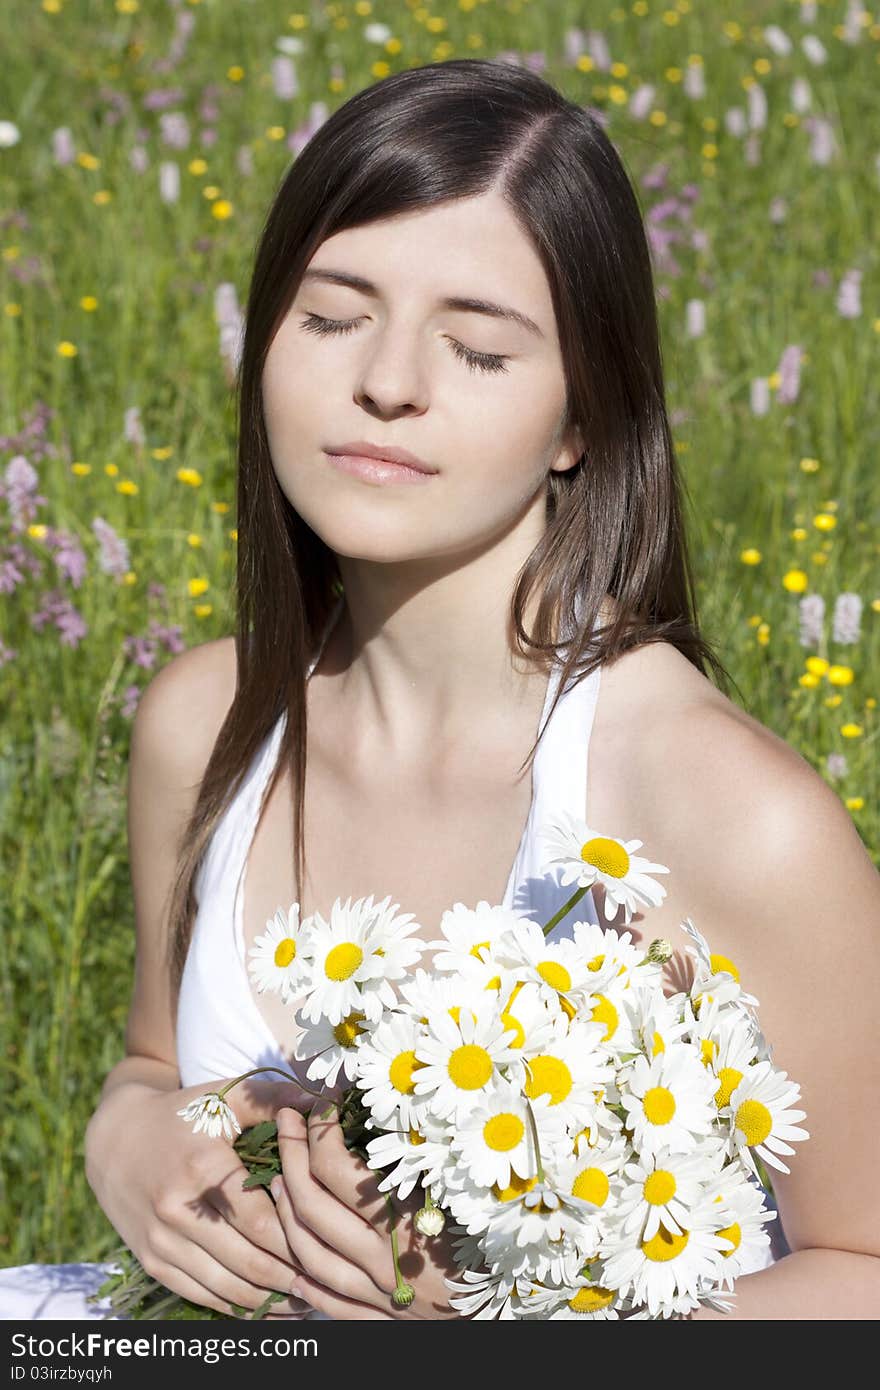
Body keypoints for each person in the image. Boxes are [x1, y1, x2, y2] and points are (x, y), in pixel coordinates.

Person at [3, 57, 878, 1322]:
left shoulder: (724, 810)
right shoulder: (202, 724)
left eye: (475, 348)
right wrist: (128, 1137)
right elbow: (155, 1061)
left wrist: (501, 1323)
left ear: (581, 417)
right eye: (330, 315)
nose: (389, 381)